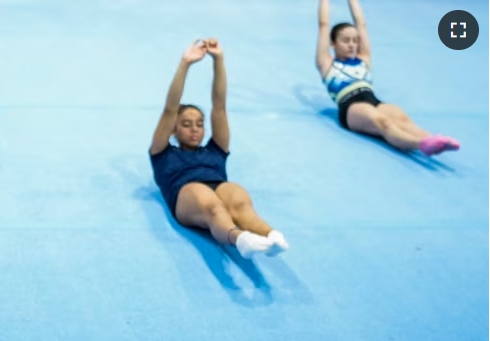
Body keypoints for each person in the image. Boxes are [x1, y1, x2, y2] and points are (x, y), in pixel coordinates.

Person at [149, 39, 289, 259]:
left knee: (238, 198)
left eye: (199, 124)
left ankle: (271, 235)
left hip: (218, 187)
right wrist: (186, 63)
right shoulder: (163, 155)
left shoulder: (215, 151)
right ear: (173, 130)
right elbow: (169, 109)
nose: (194, 129)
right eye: (186, 125)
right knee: (213, 206)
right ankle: (239, 239)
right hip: (187, 195)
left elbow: (219, 106)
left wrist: (219, 60)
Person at [316, 0, 458, 155]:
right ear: (332, 43)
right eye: (345, 40)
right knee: (384, 123)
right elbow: (324, 24)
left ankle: (435, 140)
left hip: (374, 100)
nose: (352, 45)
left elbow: (361, 24)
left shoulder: (364, 59)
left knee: (402, 120)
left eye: (355, 40)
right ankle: (421, 144)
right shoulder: (327, 64)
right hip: (351, 107)